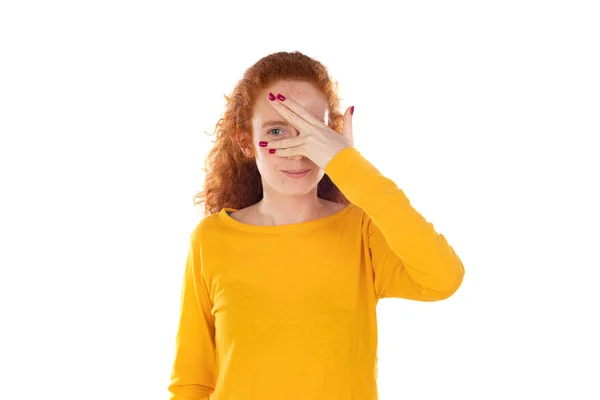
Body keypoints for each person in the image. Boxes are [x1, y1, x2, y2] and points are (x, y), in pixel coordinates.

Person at [168, 50, 465, 400]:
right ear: (246, 141)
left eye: (313, 131)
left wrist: (349, 166)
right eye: (277, 131)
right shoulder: (211, 239)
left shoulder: (360, 230)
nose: (297, 151)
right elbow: (191, 383)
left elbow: (443, 279)